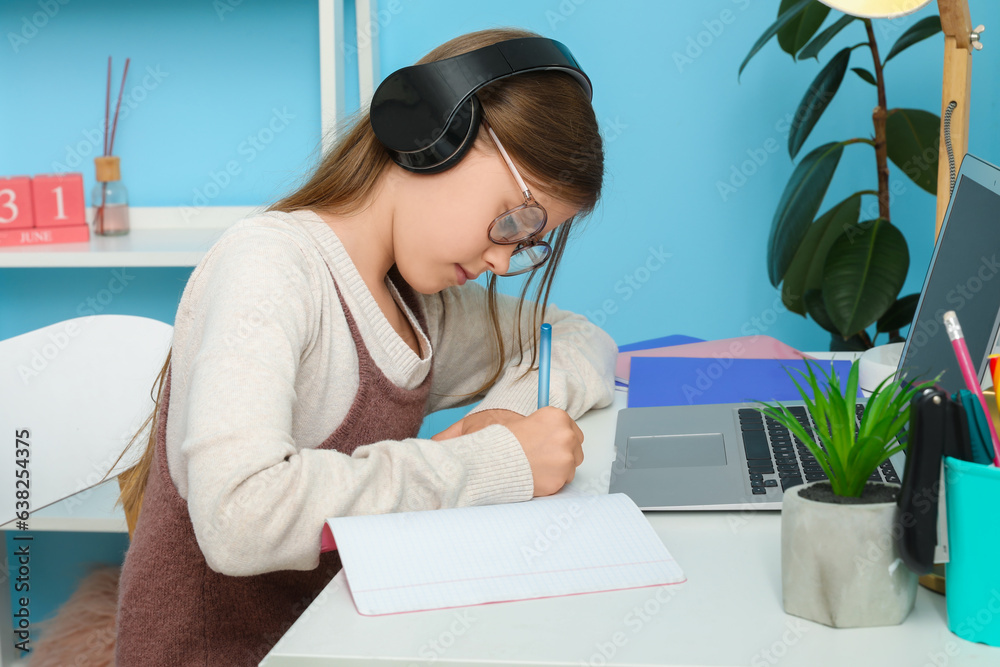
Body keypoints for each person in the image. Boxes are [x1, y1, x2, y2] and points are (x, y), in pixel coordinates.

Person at [112, 26, 616, 665]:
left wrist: (505, 419)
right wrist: (490, 465)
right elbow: (239, 517)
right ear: (434, 133)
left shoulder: (421, 308)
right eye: (513, 219)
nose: (503, 257)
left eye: (527, 243)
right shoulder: (271, 265)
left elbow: (581, 339)